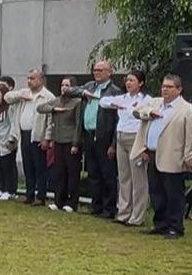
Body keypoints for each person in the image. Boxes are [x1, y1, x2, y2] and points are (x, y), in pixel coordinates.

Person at [132, 75, 192, 237]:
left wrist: (189, 158)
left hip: (173, 156)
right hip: (153, 153)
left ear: (179, 90)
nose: (165, 90)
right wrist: (150, 113)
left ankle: (175, 226)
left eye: (169, 87)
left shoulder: (187, 110)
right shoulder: (155, 103)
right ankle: (160, 223)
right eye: (163, 86)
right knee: (156, 192)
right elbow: (137, 111)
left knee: (173, 194)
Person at [103, 71, 150, 225]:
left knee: (138, 179)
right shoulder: (122, 98)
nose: (128, 83)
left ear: (140, 83)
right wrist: (113, 104)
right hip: (121, 137)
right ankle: (124, 213)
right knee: (124, 177)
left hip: (136, 137)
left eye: (132, 80)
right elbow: (102, 101)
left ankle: (137, 216)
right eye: (127, 80)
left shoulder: (146, 99)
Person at [77, 60, 122, 217]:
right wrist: (83, 93)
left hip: (104, 136)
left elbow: (118, 119)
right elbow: (70, 91)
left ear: (109, 72)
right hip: (89, 134)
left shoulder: (114, 91)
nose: (96, 73)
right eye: (95, 70)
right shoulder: (89, 86)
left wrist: (113, 143)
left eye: (100, 70)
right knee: (93, 173)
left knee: (107, 174)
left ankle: (109, 208)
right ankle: (96, 206)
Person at [8, 69, 56, 206]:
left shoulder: (48, 97)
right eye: (28, 78)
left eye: (32, 78)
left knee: (39, 167)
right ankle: (29, 194)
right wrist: (20, 95)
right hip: (24, 133)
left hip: (38, 135)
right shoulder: (25, 93)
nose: (29, 81)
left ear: (40, 80)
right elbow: (7, 97)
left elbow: (50, 120)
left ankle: (40, 196)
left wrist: (47, 138)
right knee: (27, 165)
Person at [38, 78, 83, 212]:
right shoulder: (57, 100)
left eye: (67, 85)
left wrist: (76, 143)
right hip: (58, 140)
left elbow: (78, 124)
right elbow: (40, 107)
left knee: (72, 172)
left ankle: (72, 202)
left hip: (70, 141)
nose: (64, 88)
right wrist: (53, 109)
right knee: (59, 172)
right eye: (62, 85)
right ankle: (59, 200)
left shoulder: (77, 102)